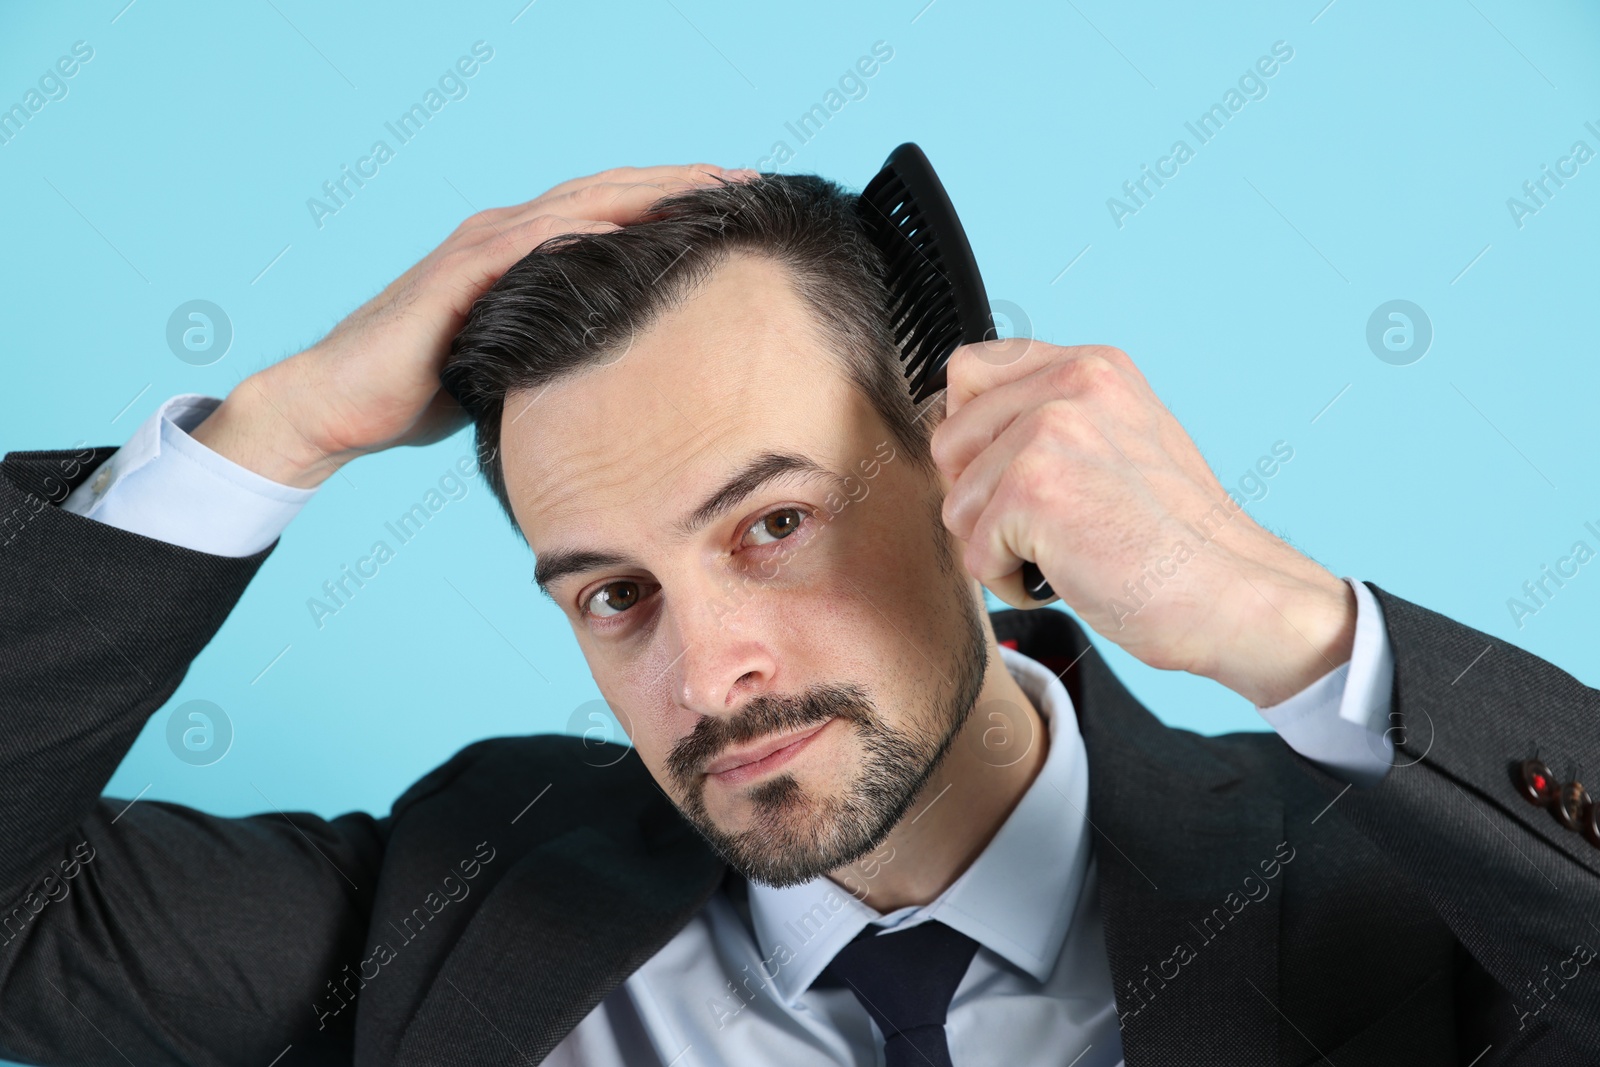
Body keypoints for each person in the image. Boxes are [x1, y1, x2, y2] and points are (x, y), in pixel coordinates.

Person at [0, 163, 1595, 1067]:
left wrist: (1285, 621)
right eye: (614, 595)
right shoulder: (453, 893)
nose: (709, 672)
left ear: (968, 463)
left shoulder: (1405, 905)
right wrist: (278, 430)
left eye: (774, 525)